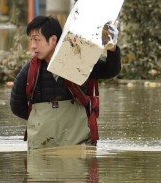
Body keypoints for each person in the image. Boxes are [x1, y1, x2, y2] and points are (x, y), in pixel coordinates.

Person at [9, 15, 121, 150]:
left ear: (53, 40)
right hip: (42, 146)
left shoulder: (79, 62)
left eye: (37, 40)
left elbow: (110, 71)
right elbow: (16, 105)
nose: (32, 46)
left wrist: (112, 48)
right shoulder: (29, 71)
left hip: (79, 143)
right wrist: (40, 121)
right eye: (31, 40)